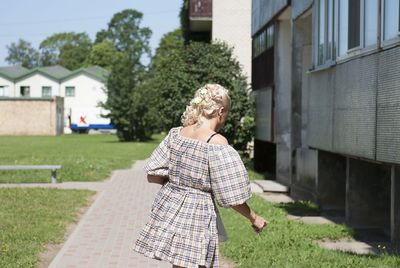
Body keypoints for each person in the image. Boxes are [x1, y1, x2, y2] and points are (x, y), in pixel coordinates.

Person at [134, 84, 268, 268]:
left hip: (169, 208)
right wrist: (254, 217)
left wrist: (179, 184)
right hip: (197, 215)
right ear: (221, 111)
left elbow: (153, 176)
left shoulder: (176, 134)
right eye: (227, 113)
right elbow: (231, 196)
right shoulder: (217, 143)